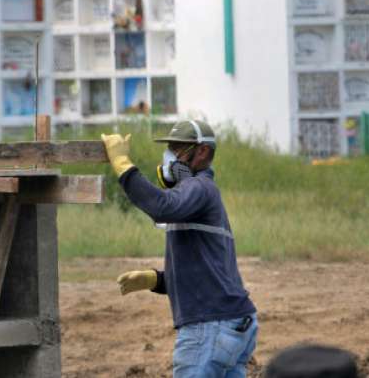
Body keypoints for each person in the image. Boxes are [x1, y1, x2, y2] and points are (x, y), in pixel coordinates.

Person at [101, 120, 257, 377]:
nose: (170, 157)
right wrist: (158, 280)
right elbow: (209, 271)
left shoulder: (199, 187)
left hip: (209, 327)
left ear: (203, 152)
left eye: (178, 149)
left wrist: (123, 166)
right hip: (233, 323)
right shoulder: (198, 196)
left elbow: (162, 206)